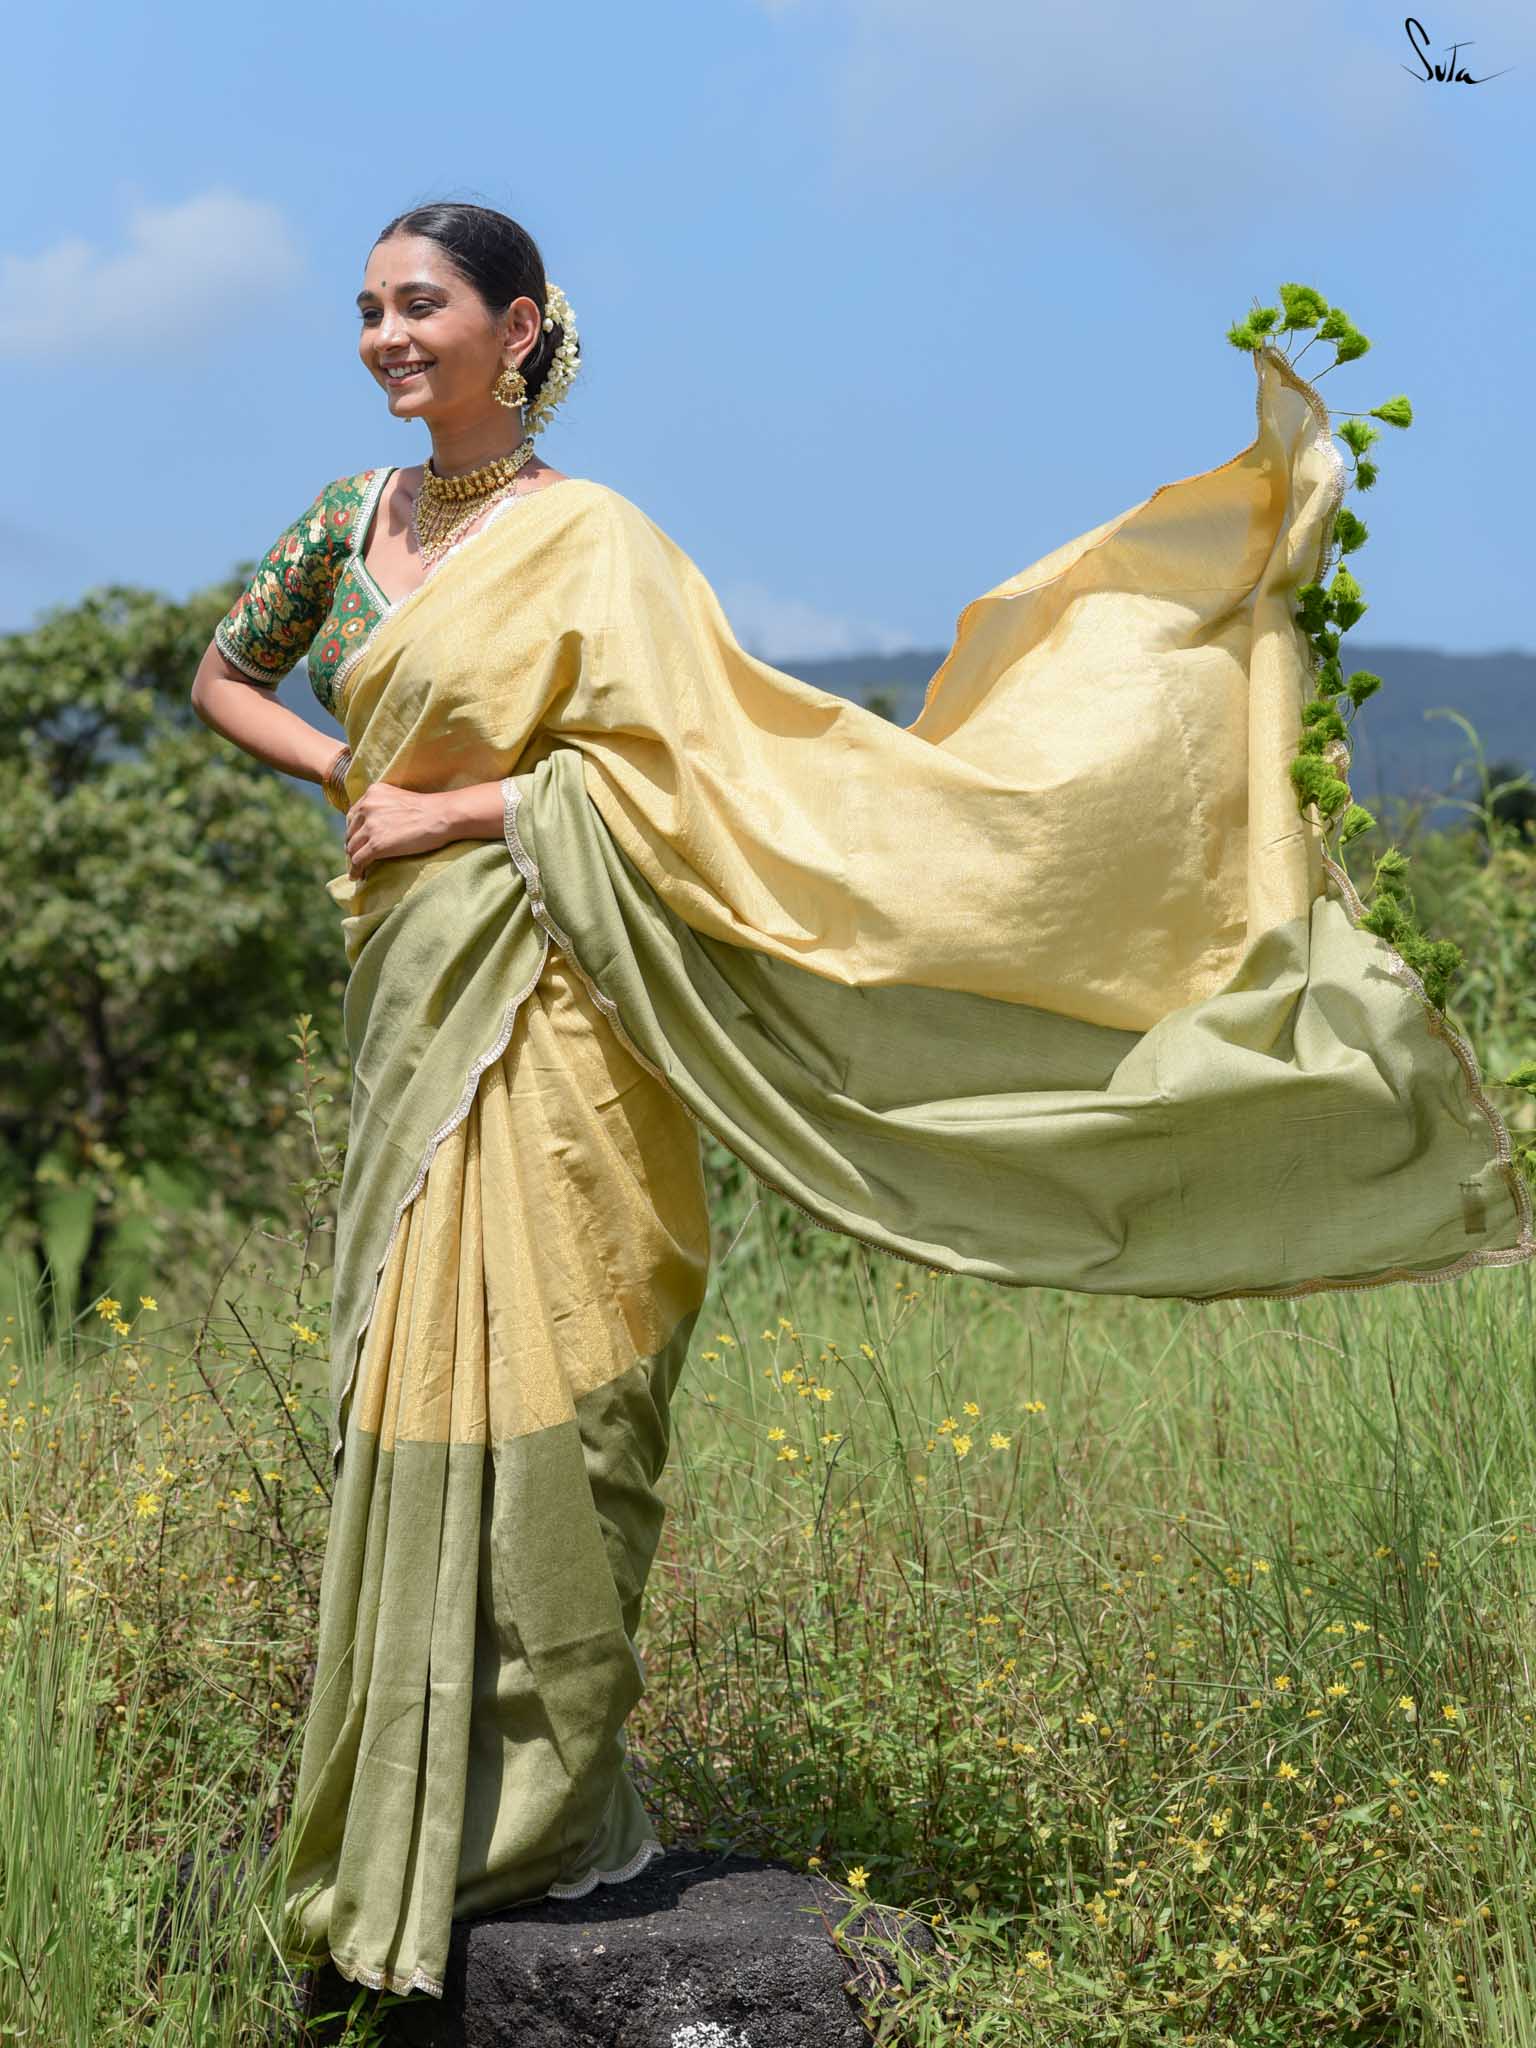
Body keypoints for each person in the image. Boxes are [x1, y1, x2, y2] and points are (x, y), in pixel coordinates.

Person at [190, 202, 1533, 2001]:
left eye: (420, 304)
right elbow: (223, 677)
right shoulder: (342, 523)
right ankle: (406, 1821)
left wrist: (479, 805)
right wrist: (353, 775)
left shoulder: (597, 542)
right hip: (414, 999)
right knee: (406, 1373)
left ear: (517, 328)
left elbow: (705, 775)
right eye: (367, 309)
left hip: (569, 1006)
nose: (384, 336)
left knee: (574, 1387)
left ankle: (531, 1819)